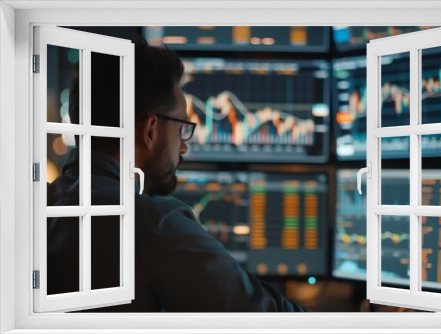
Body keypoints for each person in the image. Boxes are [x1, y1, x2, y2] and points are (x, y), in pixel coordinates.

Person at [47, 40, 306, 312]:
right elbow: (269, 319)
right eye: (182, 128)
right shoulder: (153, 225)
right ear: (150, 130)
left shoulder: (42, 206)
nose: (183, 146)